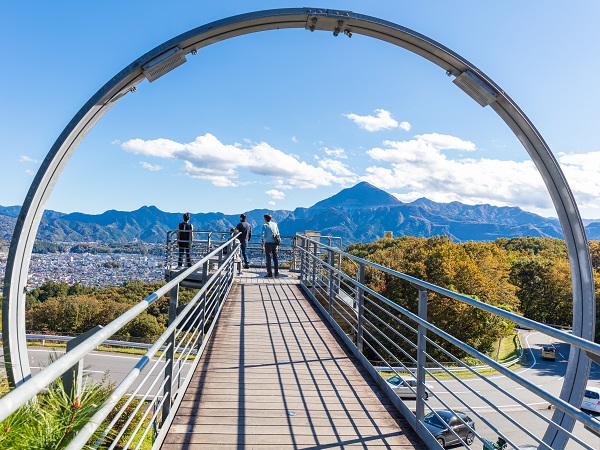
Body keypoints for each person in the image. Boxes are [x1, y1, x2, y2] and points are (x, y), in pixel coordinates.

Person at [261, 213, 280, 278]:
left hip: (268, 243)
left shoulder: (265, 225)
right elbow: (278, 233)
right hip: (275, 243)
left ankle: (269, 273)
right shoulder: (275, 224)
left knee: (268, 258)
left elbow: (262, 235)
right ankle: (276, 274)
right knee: (275, 258)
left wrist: (263, 238)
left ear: (265, 219)